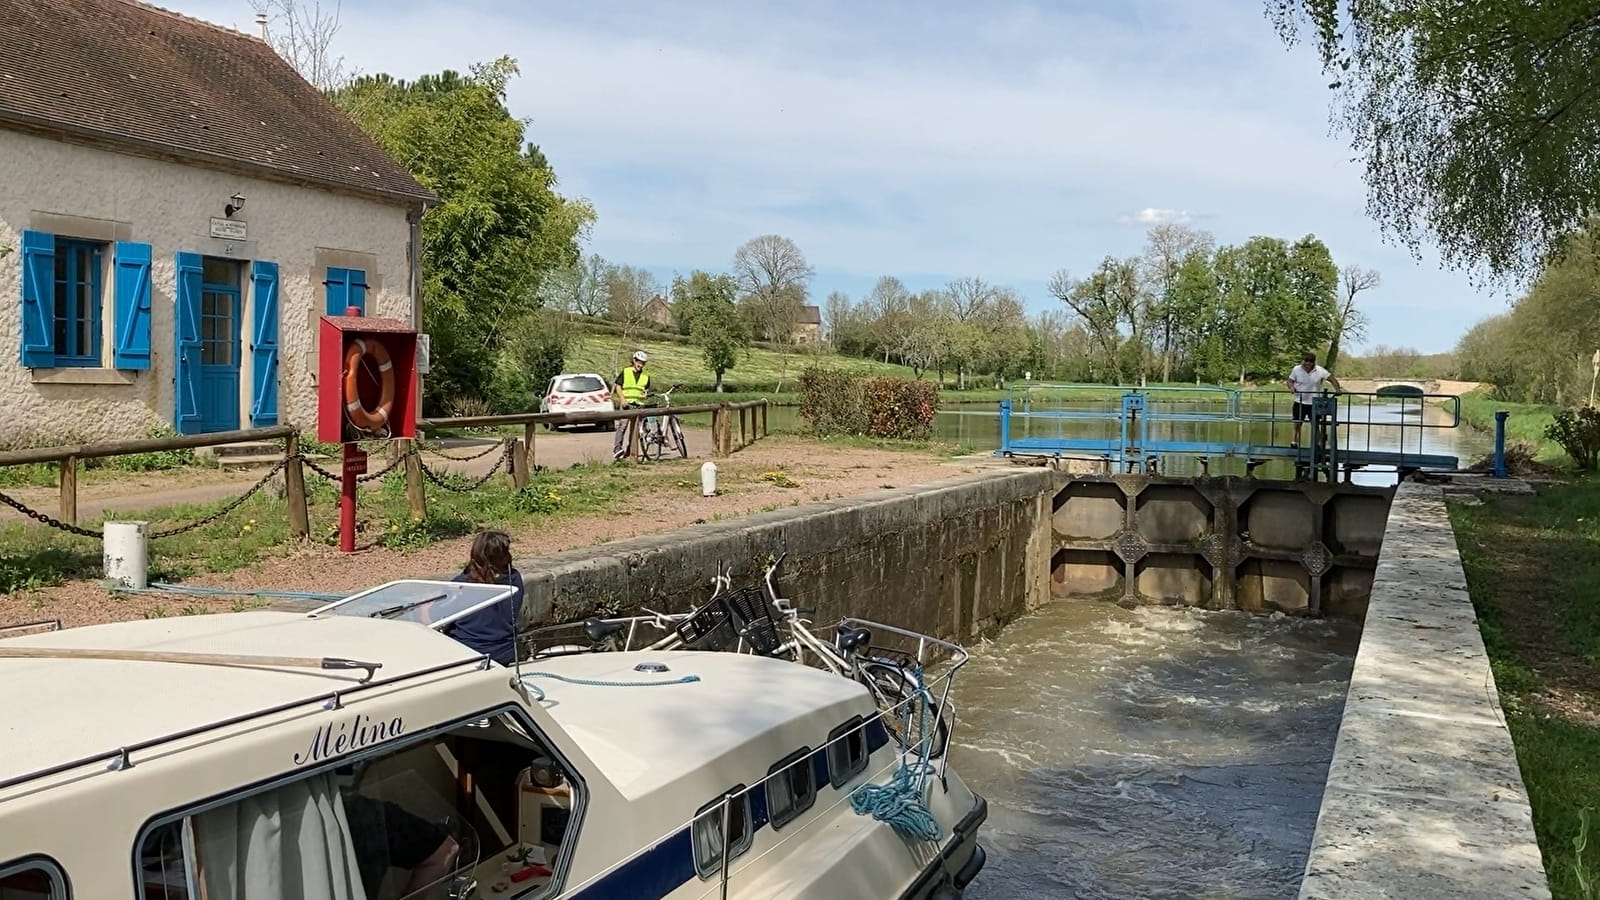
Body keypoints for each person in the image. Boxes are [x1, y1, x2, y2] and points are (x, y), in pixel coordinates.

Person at [446, 530, 524, 666]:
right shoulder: (514, 579)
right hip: (506, 652)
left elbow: (439, 619)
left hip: (468, 653)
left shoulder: (460, 585)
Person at [1285, 352, 1342, 447]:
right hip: (1299, 401)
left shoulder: (1319, 370)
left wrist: (1337, 389)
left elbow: (1332, 379)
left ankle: (1320, 442)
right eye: (1306, 360)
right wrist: (1291, 387)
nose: (1307, 363)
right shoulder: (1296, 369)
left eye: (1310, 361)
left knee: (1315, 424)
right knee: (1297, 423)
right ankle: (1294, 442)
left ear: (1314, 362)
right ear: (1302, 361)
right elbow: (1290, 381)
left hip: (1314, 402)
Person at [612, 349, 653, 460]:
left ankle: (631, 450)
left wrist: (645, 394)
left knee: (634, 429)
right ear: (634, 361)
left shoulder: (646, 375)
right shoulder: (626, 372)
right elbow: (618, 386)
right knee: (622, 426)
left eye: (642, 363)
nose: (640, 364)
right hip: (627, 403)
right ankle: (617, 448)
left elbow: (646, 389)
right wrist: (622, 399)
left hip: (638, 404)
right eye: (639, 362)